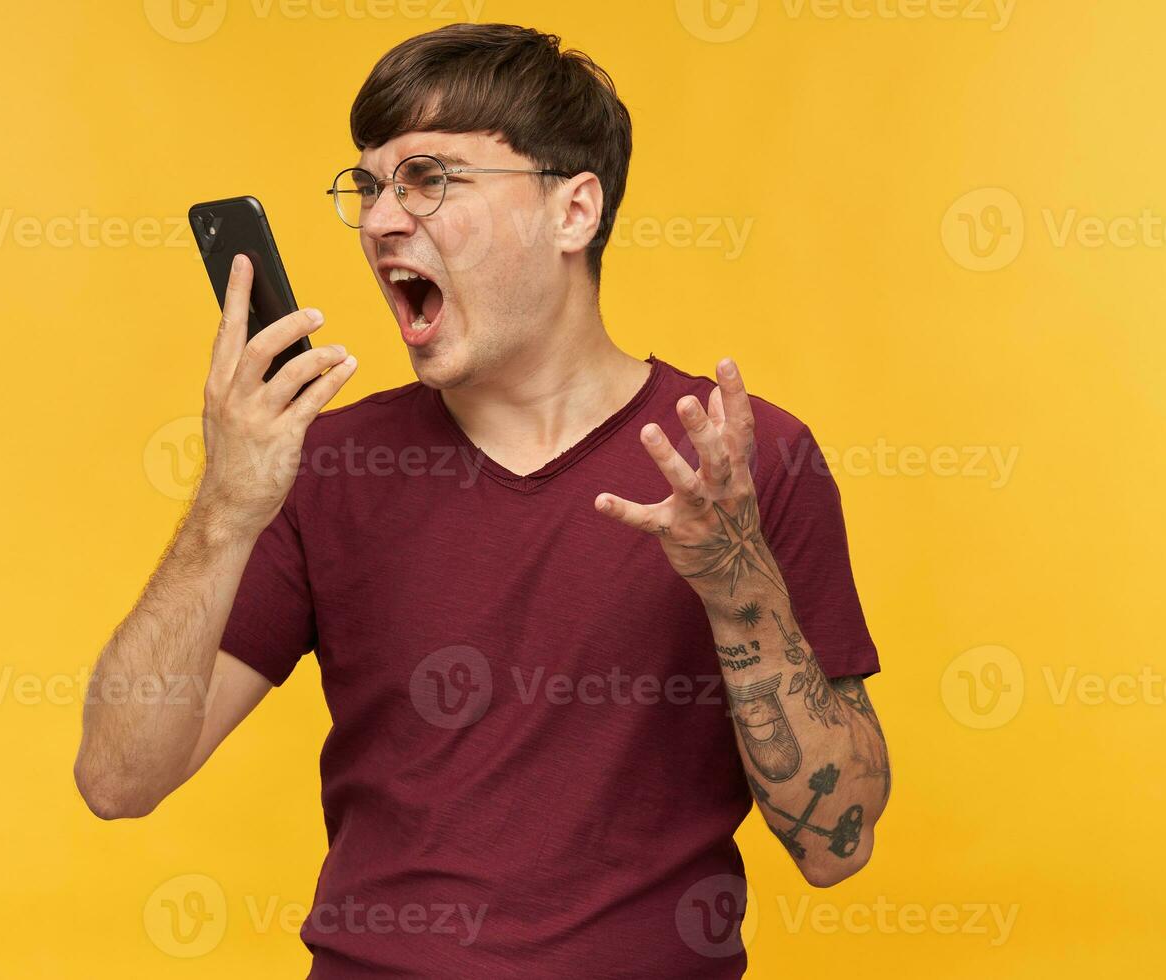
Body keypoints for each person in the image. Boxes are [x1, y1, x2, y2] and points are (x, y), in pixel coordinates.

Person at [75, 22, 890, 978]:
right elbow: (118, 777)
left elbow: (836, 845)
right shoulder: (326, 464)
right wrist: (226, 502)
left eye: (430, 179)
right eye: (370, 185)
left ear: (573, 210)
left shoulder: (741, 461)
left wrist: (735, 583)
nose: (382, 220)